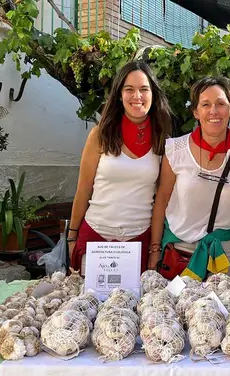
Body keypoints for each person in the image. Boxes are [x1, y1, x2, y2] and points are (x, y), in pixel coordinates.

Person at [67, 60, 172, 275]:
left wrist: (154, 247)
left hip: (139, 241)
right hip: (96, 237)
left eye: (144, 89)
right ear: (119, 94)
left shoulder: (163, 139)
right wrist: (72, 235)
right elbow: (83, 189)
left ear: (153, 94)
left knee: (132, 307)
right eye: (129, 89)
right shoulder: (100, 135)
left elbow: (161, 199)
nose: (137, 96)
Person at [148, 76, 230, 281]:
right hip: (180, 254)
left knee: (226, 311)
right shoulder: (176, 150)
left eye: (220, 104)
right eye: (205, 104)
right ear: (196, 112)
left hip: (225, 257)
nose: (213, 111)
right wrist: (155, 249)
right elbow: (161, 201)